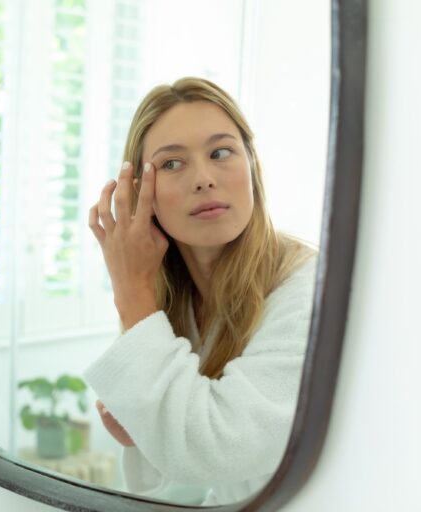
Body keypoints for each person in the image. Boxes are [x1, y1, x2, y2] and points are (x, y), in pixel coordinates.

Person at [85, 77, 316, 506]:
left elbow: (213, 450)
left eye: (221, 152)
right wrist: (144, 434)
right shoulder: (171, 304)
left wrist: (129, 288)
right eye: (172, 164)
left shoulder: (305, 292)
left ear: (252, 165)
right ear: (140, 193)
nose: (204, 179)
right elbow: (183, 484)